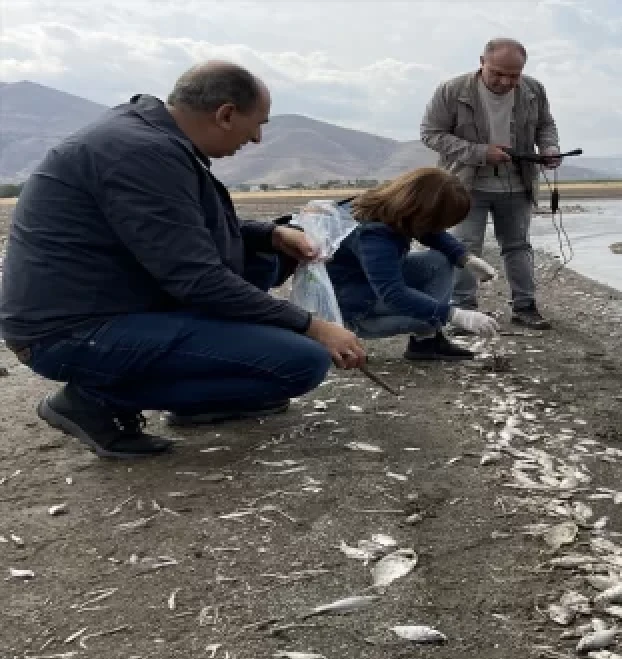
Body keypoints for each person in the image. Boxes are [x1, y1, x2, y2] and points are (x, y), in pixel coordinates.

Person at [0, 60, 367, 460]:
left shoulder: (149, 138)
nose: (257, 138)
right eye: (257, 124)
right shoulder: (141, 153)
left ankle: (195, 399)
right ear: (226, 114)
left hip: (109, 303)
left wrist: (271, 234)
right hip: (70, 333)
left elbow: (177, 224)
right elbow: (197, 280)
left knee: (262, 260)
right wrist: (315, 327)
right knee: (301, 361)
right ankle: (94, 400)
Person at [421, 37, 562, 331]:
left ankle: (525, 307)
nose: (506, 81)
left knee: (518, 246)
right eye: (497, 73)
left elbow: (546, 125)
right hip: (463, 186)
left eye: (514, 75)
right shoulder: (451, 90)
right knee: (464, 246)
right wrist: (480, 153)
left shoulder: (534, 90)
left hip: (518, 183)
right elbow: (431, 134)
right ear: (481, 62)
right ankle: (464, 311)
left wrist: (549, 148)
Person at [327, 167, 502, 359]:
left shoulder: (390, 206)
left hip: (366, 283)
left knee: (439, 261)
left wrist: (465, 258)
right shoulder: (373, 236)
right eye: (440, 222)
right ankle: (427, 336)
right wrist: (453, 315)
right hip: (356, 308)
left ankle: (426, 340)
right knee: (429, 318)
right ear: (423, 213)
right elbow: (393, 294)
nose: (441, 228)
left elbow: (430, 232)